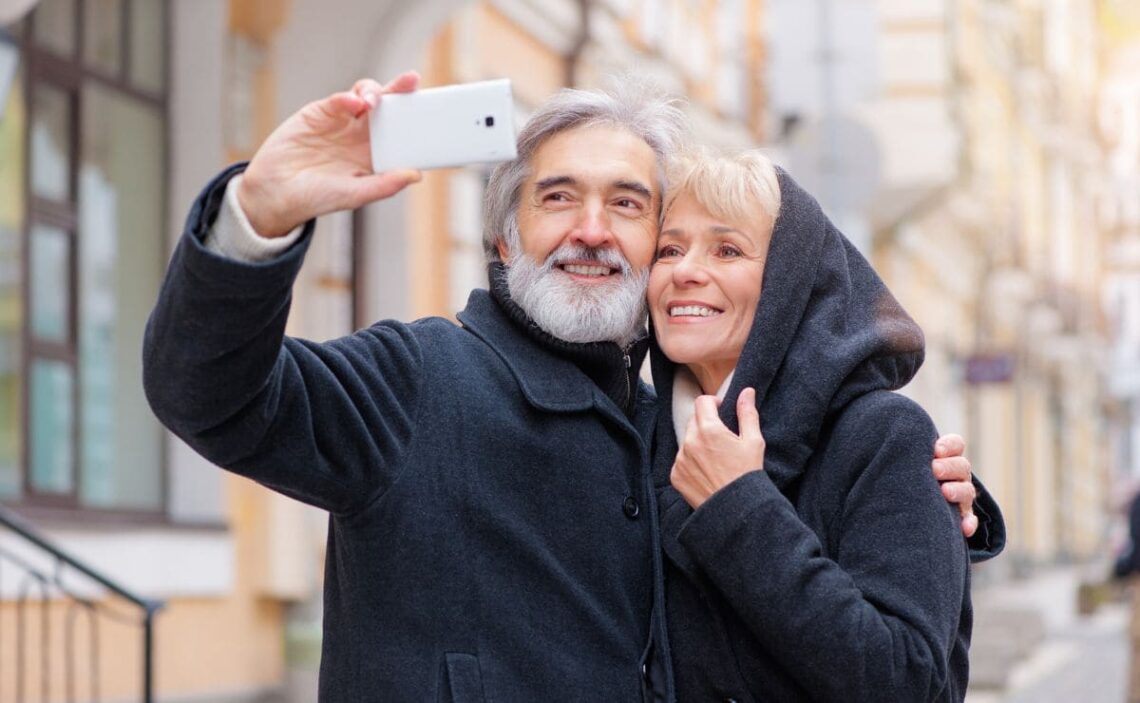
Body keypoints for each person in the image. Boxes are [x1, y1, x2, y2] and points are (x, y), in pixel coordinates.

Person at [143, 73, 998, 700]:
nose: (592, 230)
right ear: (507, 240)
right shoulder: (417, 380)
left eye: (629, 207)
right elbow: (208, 394)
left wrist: (936, 506)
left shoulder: (682, 430)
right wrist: (257, 214)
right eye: (559, 197)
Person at [647, 148, 981, 701]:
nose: (685, 271)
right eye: (669, 249)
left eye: (727, 249)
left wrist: (738, 505)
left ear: (789, 285)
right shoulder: (639, 438)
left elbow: (907, 681)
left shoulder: (884, 436)